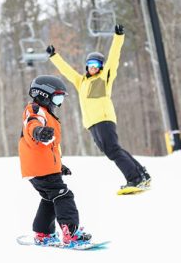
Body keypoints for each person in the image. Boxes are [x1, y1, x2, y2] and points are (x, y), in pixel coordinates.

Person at [46, 25, 151, 194]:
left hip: (104, 119)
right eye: (90, 65)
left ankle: (135, 178)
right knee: (113, 150)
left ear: (101, 66)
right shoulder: (82, 82)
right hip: (92, 124)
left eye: (96, 65)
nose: (92, 67)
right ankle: (142, 174)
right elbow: (67, 71)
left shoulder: (105, 77)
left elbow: (114, 57)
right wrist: (54, 56)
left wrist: (118, 37)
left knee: (113, 150)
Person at [18, 75, 92, 245]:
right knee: (63, 195)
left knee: (50, 198)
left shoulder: (46, 112)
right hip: (39, 168)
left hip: (39, 168)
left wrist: (59, 166)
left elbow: (50, 148)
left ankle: (43, 232)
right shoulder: (35, 110)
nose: (59, 102)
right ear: (44, 95)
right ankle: (71, 233)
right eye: (57, 97)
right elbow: (32, 124)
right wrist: (38, 132)